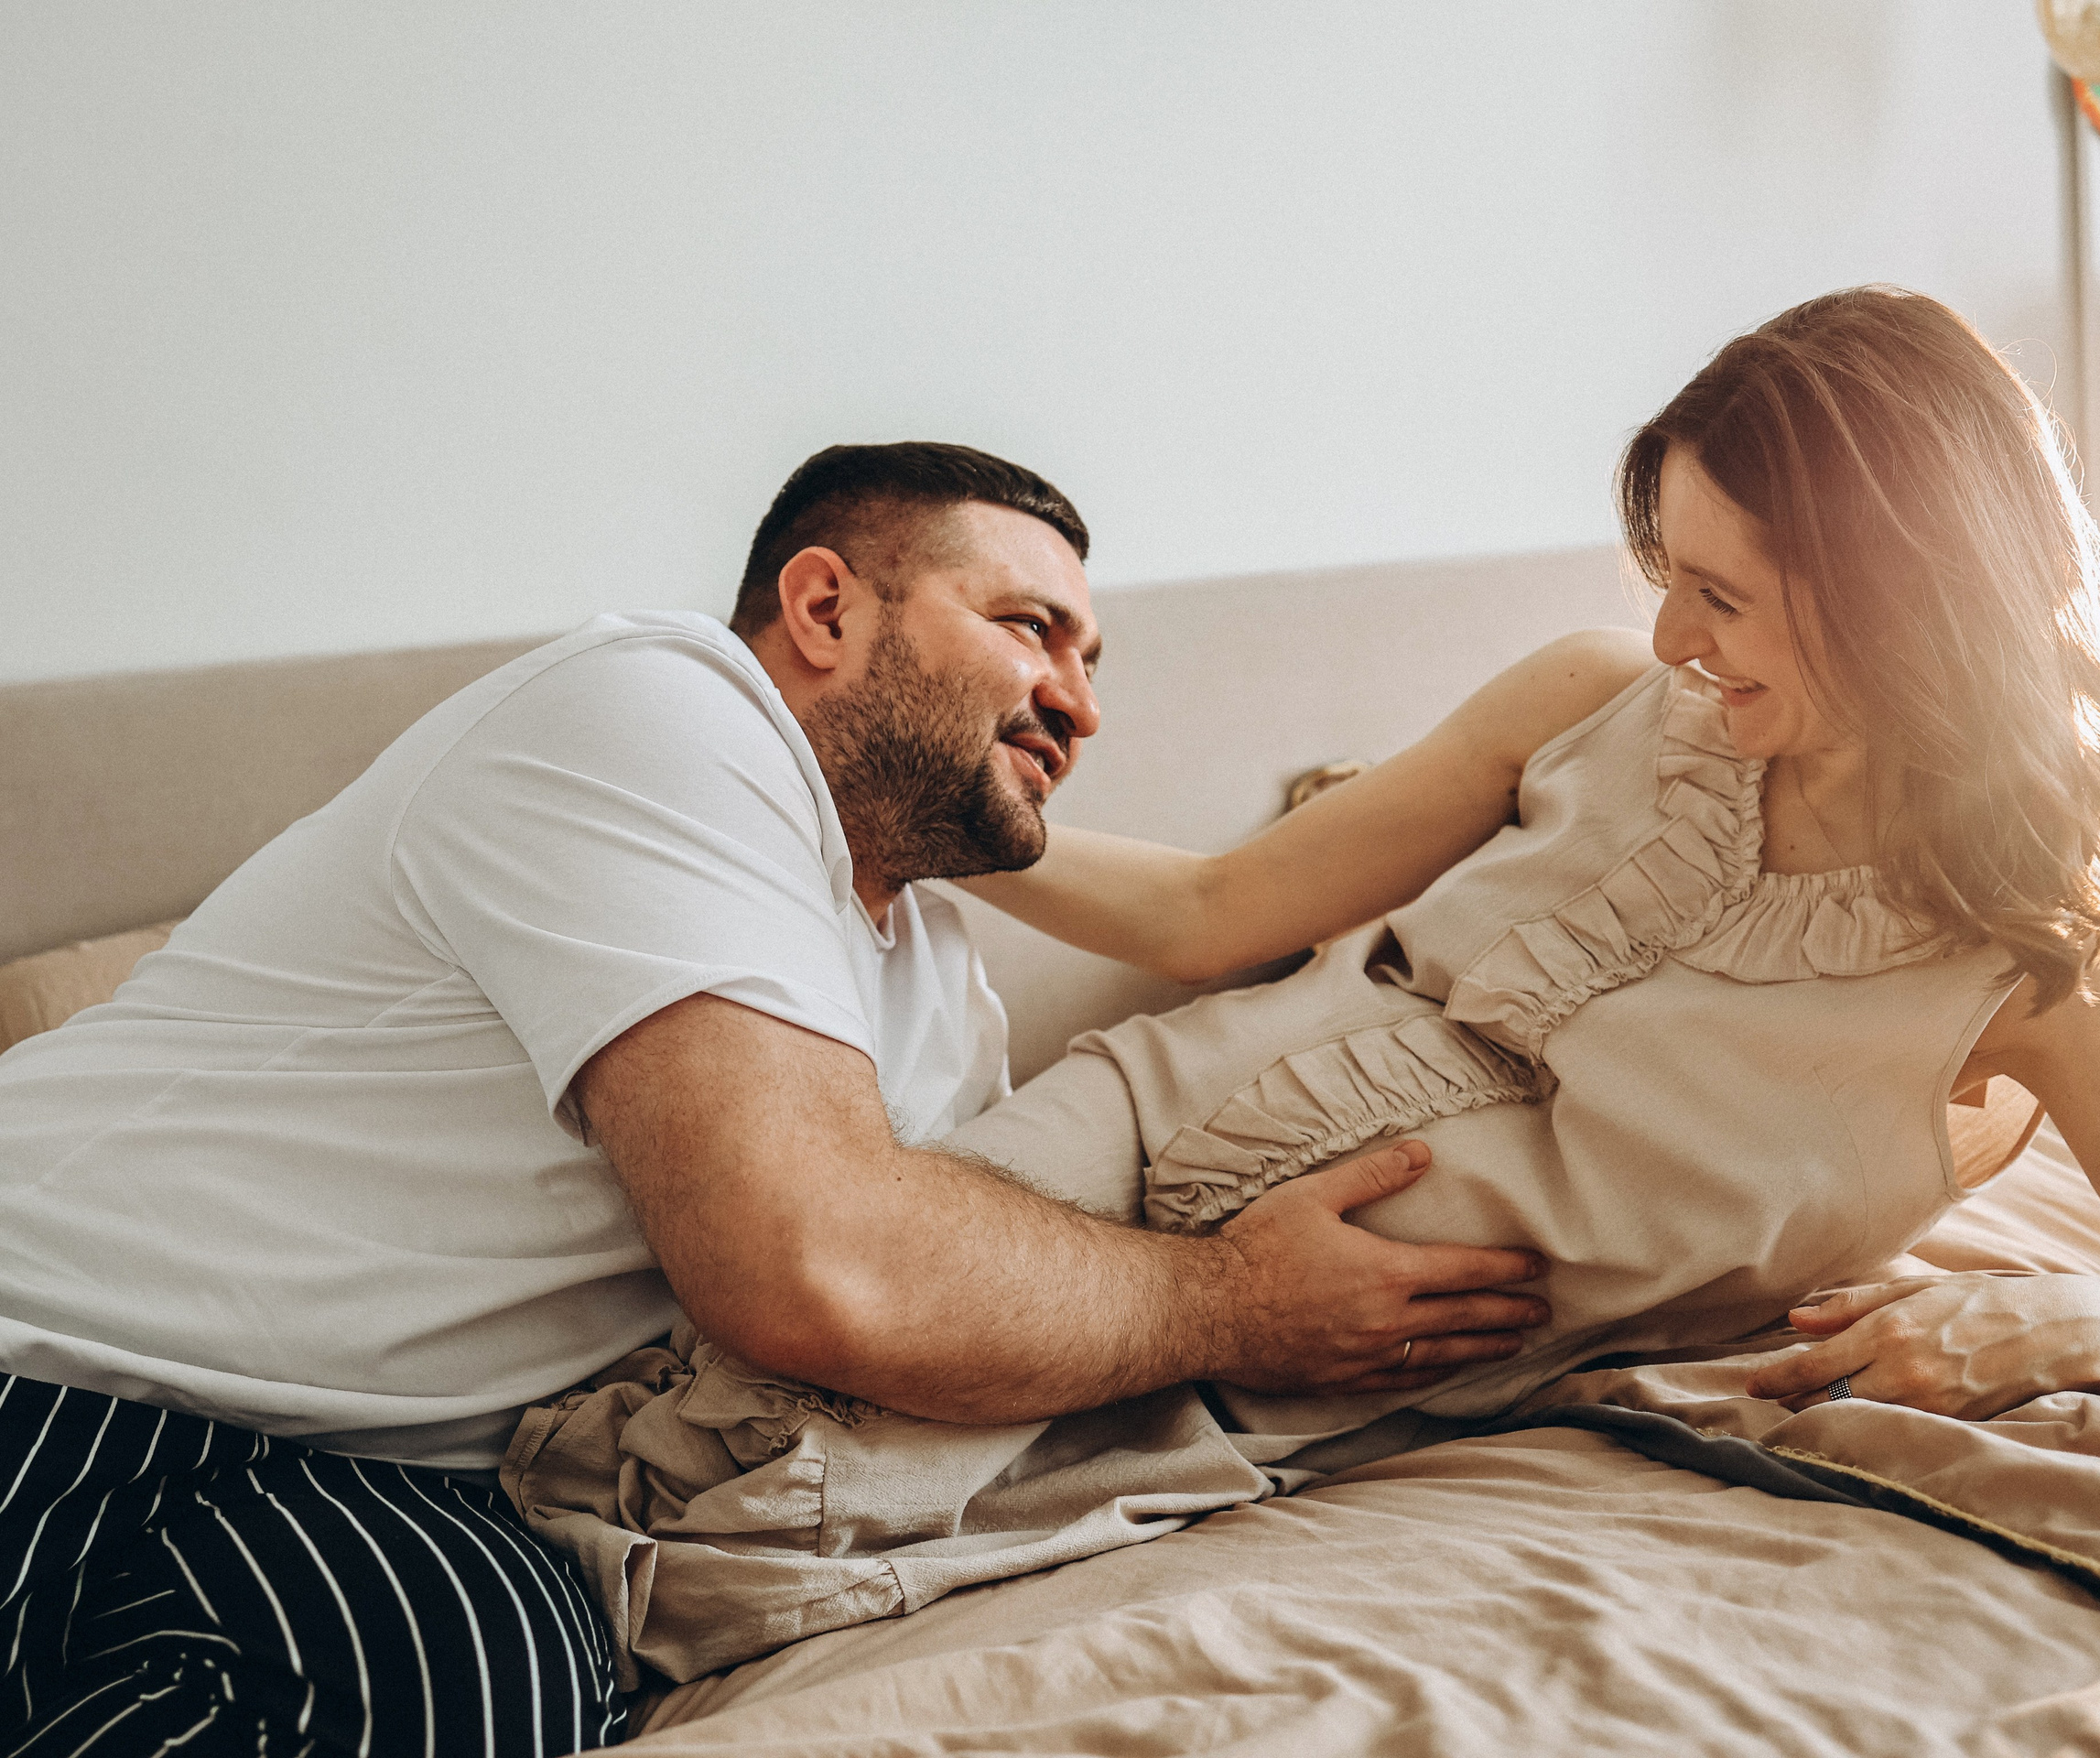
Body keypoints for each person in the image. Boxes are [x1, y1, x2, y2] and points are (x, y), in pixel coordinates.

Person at [501, 288, 2100, 1691]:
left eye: (1722, 592)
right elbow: (1226, 908)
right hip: (1153, 1110)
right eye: (1663, 578)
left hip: (1342, 1362)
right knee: (709, 1404)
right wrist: (883, 790)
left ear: (1903, 595)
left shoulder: (2040, 978)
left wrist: (2082, 1332)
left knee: (769, 1545)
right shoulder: (1586, 698)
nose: (1674, 639)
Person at [0, 441, 1550, 1755]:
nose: (1078, 700)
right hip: (63, 1361)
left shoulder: (932, 984)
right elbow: (821, 1267)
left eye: (1092, 663)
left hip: (372, 1471)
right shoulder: (655, 717)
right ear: (823, 606)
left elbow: (952, 1295)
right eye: (1032, 627)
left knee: (513, 1654)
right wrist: (1245, 1306)